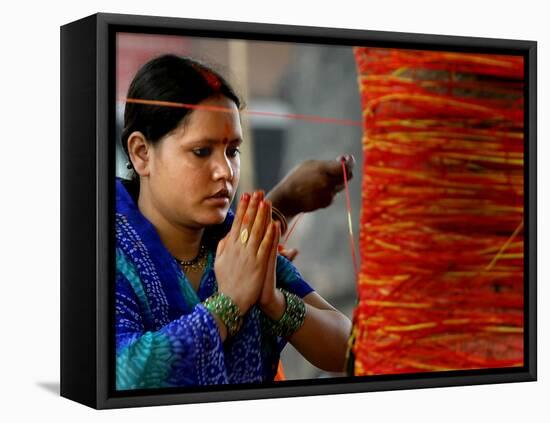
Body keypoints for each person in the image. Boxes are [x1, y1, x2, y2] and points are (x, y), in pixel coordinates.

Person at [115, 54, 354, 389]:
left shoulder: (240, 241)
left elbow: (348, 346)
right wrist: (229, 304)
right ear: (141, 153)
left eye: (232, 150)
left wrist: (273, 301)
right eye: (201, 151)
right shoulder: (104, 247)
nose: (225, 172)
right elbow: (121, 375)